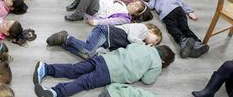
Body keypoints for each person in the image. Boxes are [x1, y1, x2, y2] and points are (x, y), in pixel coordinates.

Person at [33, 43, 175, 97]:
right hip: (112, 73)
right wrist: (156, 70)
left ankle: (46, 68)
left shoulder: (142, 45)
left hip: (105, 59)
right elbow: (147, 80)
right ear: (163, 61)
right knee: (84, 82)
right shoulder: (156, 64)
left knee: (75, 69)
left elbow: (129, 48)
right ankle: (55, 92)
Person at [143, 0, 209, 58]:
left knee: (172, 28)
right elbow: (182, 2)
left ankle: (183, 40)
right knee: (184, 28)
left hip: (167, 12)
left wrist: (141, 1)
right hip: (179, 9)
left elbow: (151, 6)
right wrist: (190, 12)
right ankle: (198, 43)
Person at [46, 23, 162, 59]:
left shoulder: (138, 42)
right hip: (104, 32)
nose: (153, 44)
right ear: (152, 30)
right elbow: (131, 37)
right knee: (89, 49)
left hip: (105, 41)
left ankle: (64, 43)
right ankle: (67, 38)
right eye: (156, 40)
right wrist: (144, 46)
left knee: (89, 56)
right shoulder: (142, 29)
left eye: (155, 44)